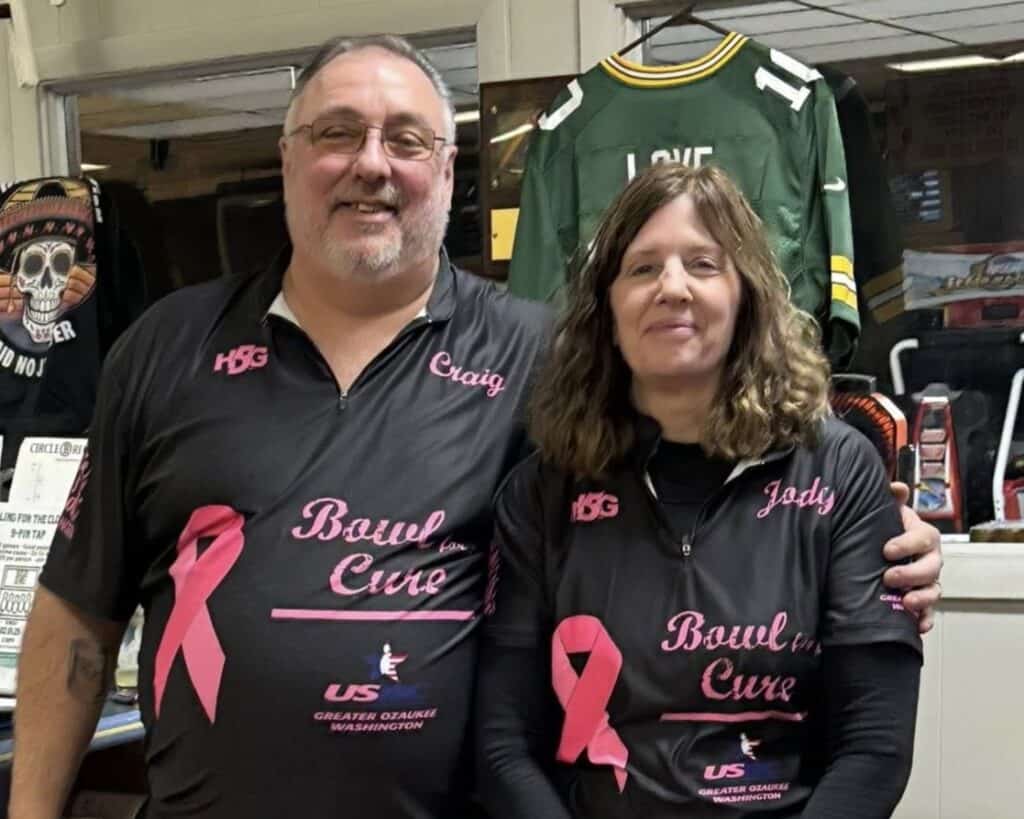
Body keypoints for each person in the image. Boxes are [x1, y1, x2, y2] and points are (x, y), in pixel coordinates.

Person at [10, 36, 939, 819]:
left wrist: (884, 544)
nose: (372, 163)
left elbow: (738, 471)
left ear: (446, 172)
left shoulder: (548, 362)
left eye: (407, 139)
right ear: (289, 156)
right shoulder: (163, 350)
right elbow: (76, 616)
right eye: (337, 133)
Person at [478, 163, 924, 819]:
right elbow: (502, 745)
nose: (673, 288)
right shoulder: (542, 490)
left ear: (746, 293)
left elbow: (875, 746)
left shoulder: (839, 471)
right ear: (605, 304)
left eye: (704, 264)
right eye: (642, 267)